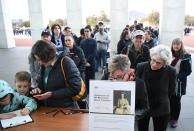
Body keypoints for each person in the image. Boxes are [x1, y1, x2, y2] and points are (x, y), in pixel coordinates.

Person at [30, 40, 84, 108]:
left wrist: (52, 94)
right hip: (49, 108)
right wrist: (38, 89)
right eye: (38, 60)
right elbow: (43, 84)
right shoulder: (44, 64)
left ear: (48, 55)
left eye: (41, 59)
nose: (40, 63)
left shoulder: (66, 62)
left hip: (65, 109)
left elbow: (76, 88)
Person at [136, 45, 176, 131]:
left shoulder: (171, 71)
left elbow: (171, 90)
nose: (154, 64)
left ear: (165, 63)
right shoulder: (141, 67)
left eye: (158, 63)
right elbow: (137, 87)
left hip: (161, 106)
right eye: (153, 60)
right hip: (143, 107)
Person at [169, 38, 192, 128]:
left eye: (178, 44)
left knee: (176, 101)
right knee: (169, 99)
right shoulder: (169, 54)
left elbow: (188, 71)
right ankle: (170, 115)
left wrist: (177, 77)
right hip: (168, 81)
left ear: (181, 45)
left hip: (179, 83)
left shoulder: (186, 56)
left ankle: (175, 118)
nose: (176, 46)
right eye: (174, 44)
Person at [80, 26, 97, 95]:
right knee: (86, 77)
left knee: (92, 77)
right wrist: (84, 61)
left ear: (90, 32)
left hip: (91, 62)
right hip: (84, 62)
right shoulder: (82, 42)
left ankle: (93, 91)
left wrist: (87, 61)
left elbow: (94, 53)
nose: (86, 33)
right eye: (85, 31)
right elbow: (81, 52)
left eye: (88, 31)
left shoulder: (94, 41)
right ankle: (87, 91)